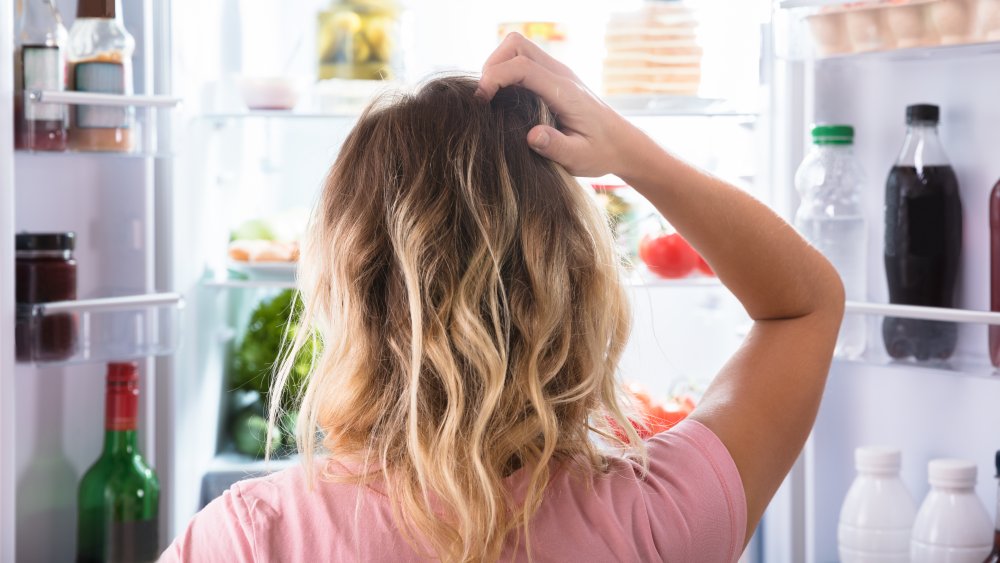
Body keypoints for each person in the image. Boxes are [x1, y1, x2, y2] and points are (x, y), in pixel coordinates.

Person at [161, 34, 843, 562]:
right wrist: (629, 151)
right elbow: (806, 305)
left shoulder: (250, 537)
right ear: (574, 280)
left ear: (345, 287)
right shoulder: (657, 516)